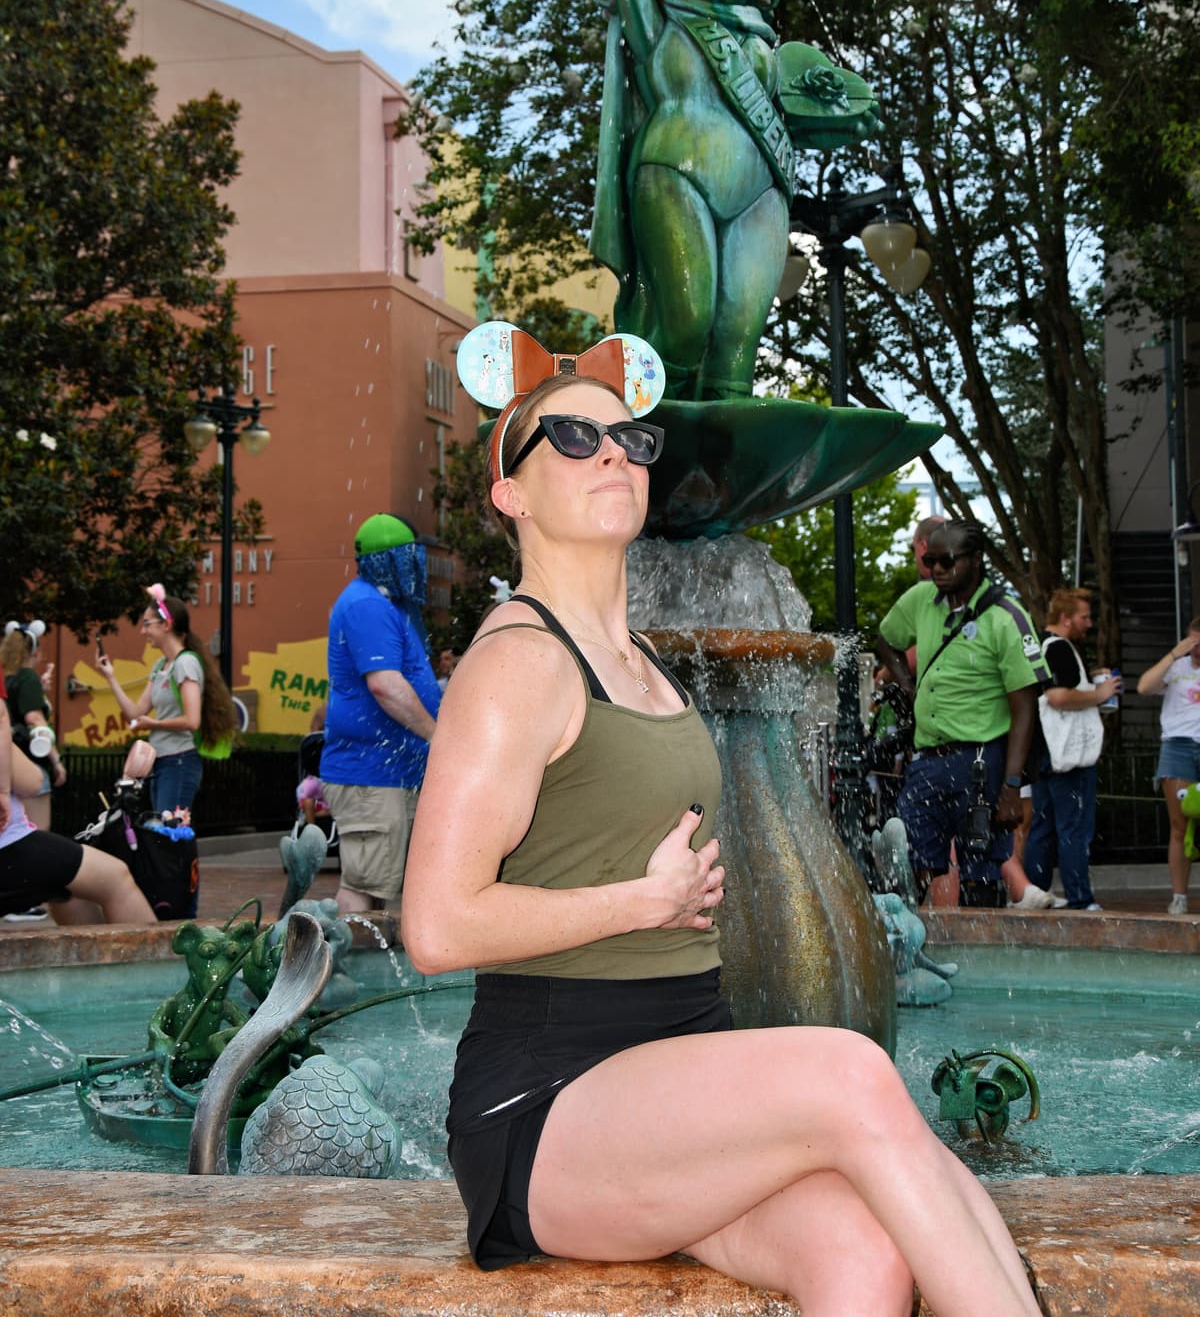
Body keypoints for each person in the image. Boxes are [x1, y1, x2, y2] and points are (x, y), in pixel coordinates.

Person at [402, 348, 1039, 1315]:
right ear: (511, 493)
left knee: (864, 1252)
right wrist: (639, 903)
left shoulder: (648, 659)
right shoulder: (519, 663)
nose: (612, 454)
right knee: (850, 1070)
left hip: (675, 1079)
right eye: (574, 438)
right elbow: (437, 926)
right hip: (550, 1103)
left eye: (630, 439)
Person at [875, 520, 1049, 907]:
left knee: (981, 871)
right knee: (911, 858)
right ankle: (929, 943)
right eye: (930, 560)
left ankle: (985, 956)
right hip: (927, 761)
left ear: (974, 561)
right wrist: (906, 685)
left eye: (947, 561)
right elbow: (885, 638)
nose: (936, 569)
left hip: (981, 761)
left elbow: (1024, 708)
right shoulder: (920, 600)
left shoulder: (1005, 616)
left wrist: (1011, 786)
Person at [321, 514, 440, 918]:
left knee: (387, 886)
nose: (414, 565)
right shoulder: (367, 605)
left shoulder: (382, 603)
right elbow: (385, 685)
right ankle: (343, 969)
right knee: (365, 886)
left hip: (390, 774)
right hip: (370, 773)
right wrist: (437, 737)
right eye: (407, 556)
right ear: (390, 559)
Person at [0, 686, 154, 926]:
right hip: (8, 846)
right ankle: (153, 963)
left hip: (13, 851)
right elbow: (32, 782)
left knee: (70, 892)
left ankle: (90, 963)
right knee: (116, 877)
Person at [95, 588, 237, 820]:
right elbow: (135, 712)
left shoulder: (185, 663)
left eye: (147, 624)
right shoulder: (162, 665)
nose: (143, 631)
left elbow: (192, 721)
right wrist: (110, 676)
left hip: (178, 761)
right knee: (164, 835)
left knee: (168, 835)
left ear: (166, 625)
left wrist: (154, 723)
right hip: (162, 762)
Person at [1024, 587, 1118, 912]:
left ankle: (1034, 892)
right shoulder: (1061, 648)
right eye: (1083, 617)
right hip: (1068, 755)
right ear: (1065, 618)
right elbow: (1058, 696)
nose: (1088, 623)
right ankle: (1081, 898)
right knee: (1074, 827)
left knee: (1043, 825)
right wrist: (1100, 693)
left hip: (1044, 752)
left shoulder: (1040, 645)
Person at [1138, 616, 1200, 915]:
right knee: (1179, 825)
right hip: (1178, 746)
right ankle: (1179, 896)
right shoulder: (1176, 667)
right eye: (1194, 640)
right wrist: (1175, 654)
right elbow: (1143, 687)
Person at [0, 619, 67, 832]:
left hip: (7, 766)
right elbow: (34, 720)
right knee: (37, 833)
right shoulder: (27, 676)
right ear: (34, 650)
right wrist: (56, 761)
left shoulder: (6, 677)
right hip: (27, 763)